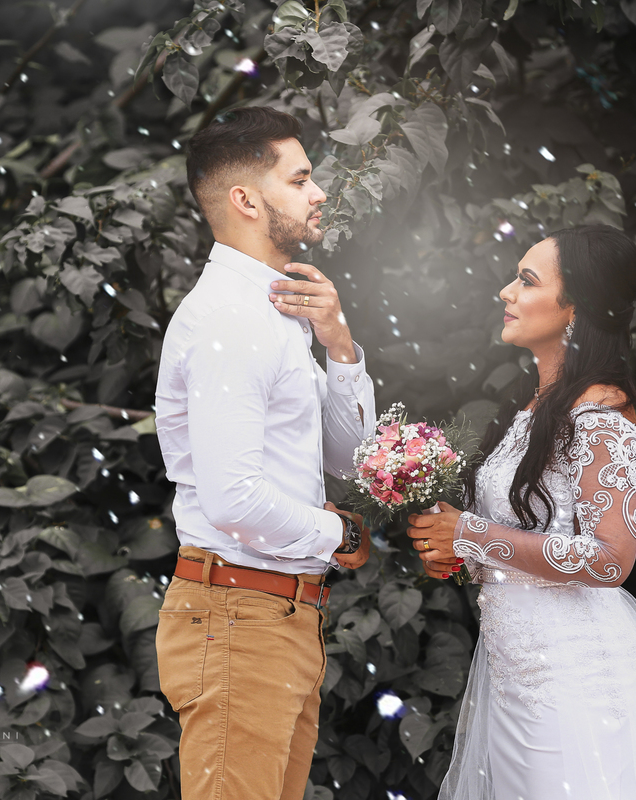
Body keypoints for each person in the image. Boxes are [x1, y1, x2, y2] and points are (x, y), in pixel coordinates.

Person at [406, 226, 636, 799]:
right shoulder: (534, 407)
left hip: (575, 678)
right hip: (513, 677)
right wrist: (456, 550)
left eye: (527, 281)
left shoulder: (599, 412)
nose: (506, 292)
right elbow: (521, 539)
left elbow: (610, 559)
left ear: (576, 306)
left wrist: (471, 533)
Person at [153, 107, 377, 800]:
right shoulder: (231, 317)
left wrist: (340, 345)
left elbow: (347, 458)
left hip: (273, 616)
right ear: (246, 200)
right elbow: (234, 499)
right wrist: (339, 534)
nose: (319, 193)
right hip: (237, 614)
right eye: (300, 179)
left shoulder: (274, 309)